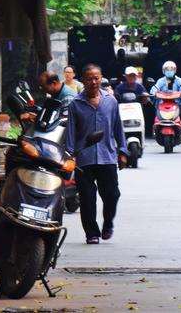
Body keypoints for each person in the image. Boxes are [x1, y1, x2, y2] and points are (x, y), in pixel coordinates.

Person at [64, 63, 128, 244]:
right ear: (83, 80)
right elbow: (71, 132)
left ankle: (108, 223)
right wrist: (70, 155)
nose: (93, 82)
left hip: (107, 156)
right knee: (87, 199)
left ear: (101, 79)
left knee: (112, 194)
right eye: (90, 79)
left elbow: (118, 128)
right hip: (84, 159)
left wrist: (122, 152)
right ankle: (91, 233)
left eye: (96, 78)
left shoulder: (111, 101)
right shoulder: (76, 104)